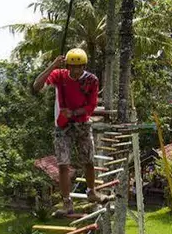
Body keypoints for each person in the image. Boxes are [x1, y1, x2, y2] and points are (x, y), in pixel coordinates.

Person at [33, 48, 114, 215]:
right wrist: (53, 66)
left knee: (89, 161)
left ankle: (92, 192)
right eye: (73, 67)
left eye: (80, 67)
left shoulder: (91, 80)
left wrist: (74, 113)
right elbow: (36, 86)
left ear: (84, 66)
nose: (76, 71)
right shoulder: (59, 75)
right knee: (63, 165)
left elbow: (91, 106)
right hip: (62, 127)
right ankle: (67, 202)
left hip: (82, 124)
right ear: (68, 66)